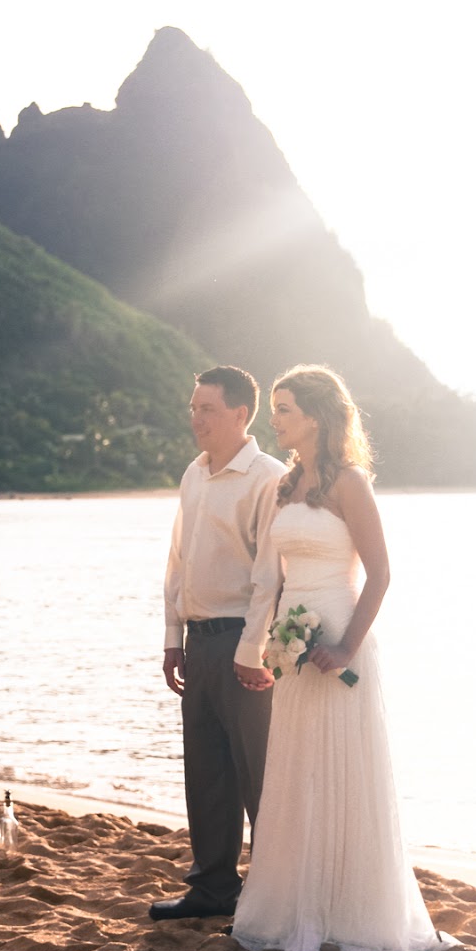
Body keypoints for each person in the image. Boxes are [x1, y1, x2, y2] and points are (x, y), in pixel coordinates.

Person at [230, 365, 454, 951]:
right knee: (297, 775)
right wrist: (273, 645)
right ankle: (300, 902)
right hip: (295, 647)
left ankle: (354, 910)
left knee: (346, 774)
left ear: (316, 417)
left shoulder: (351, 482)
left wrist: (347, 646)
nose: (274, 419)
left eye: (282, 409)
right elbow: (275, 579)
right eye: (274, 408)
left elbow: (380, 573)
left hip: (339, 638)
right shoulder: (285, 485)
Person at [151, 365, 286, 921]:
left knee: (259, 774)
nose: (195, 419)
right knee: (205, 771)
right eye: (192, 407)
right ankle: (212, 888)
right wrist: (172, 635)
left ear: (239, 414)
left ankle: (274, 895)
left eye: (206, 409)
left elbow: (269, 576)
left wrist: (251, 650)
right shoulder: (194, 473)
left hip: (242, 643)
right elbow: (178, 559)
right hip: (198, 640)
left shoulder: (267, 478)